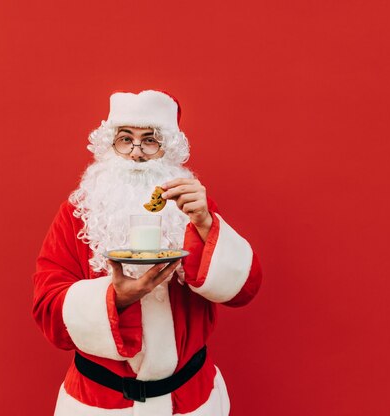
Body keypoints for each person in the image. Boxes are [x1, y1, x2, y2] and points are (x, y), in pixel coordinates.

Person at [32, 90, 262, 416]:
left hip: (191, 401)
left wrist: (207, 224)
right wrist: (115, 298)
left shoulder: (193, 208)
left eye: (150, 141)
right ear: (109, 146)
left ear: (168, 149)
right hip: (101, 403)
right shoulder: (76, 213)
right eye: (125, 140)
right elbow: (48, 312)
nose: (137, 154)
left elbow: (245, 291)